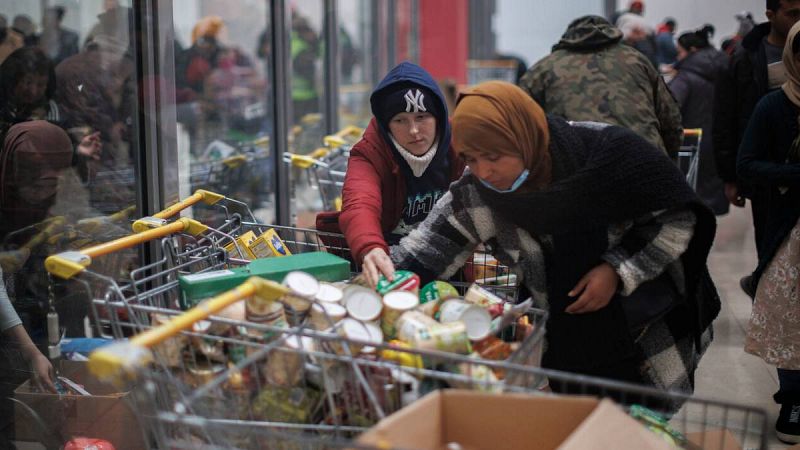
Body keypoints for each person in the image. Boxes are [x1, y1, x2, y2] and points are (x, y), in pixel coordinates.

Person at [386, 81, 718, 399]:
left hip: (646, 329)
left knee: (641, 430)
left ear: (523, 139)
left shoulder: (608, 154)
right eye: (471, 159)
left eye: (493, 156)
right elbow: (429, 249)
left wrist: (616, 270)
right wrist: (374, 273)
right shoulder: (480, 194)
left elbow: (675, 217)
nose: (483, 171)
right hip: (570, 345)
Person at [334, 62, 465, 282]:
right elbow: (359, 202)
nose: (414, 130)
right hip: (388, 267)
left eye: (422, 117)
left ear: (439, 117)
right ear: (387, 126)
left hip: (447, 265)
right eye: (400, 120)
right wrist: (370, 248)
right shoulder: (370, 152)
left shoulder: (461, 144)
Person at [738, 21, 800, 444]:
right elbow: (748, 164)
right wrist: (794, 174)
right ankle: (795, 402)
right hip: (788, 230)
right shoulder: (774, 107)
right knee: (789, 320)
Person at [713, 0, 800, 297]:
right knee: (772, 246)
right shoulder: (745, 58)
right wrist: (730, 176)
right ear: (771, 15)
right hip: (768, 174)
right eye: (793, 14)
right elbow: (726, 117)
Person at [519, 15, 683, 157]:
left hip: (579, 165)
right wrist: (669, 159)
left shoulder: (546, 67)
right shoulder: (637, 60)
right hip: (643, 157)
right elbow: (670, 118)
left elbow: (518, 118)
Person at [668, 27, 730, 215]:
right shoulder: (726, 67)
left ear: (692, 51)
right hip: (721, 142)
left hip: (689, 143)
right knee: (712, 205)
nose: (677, 57)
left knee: (691, 209)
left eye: (679, 52)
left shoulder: (685, 77)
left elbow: (669, 106)